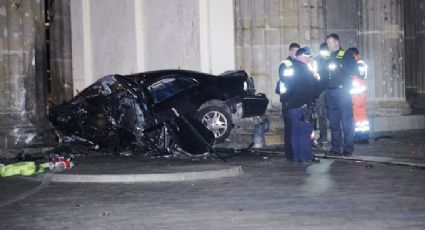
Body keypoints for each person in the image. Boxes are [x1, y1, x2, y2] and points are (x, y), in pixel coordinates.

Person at [282, 47, 321, 164]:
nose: (309, 60)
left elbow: (284, 86)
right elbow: (315, 90)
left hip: (291, 105)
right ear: (302, 56)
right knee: (305, 132)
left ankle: (296, 157)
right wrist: (317, 78)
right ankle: (305, 157)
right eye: (308, 57)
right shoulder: (306, 71)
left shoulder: (289, 69)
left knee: (295, 131)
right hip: (304, 106)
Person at [324, 34, 359, 156]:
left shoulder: (346, 55)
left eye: (329, 42)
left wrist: (341, 67)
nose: (328, 45)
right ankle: (335, 147)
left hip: (342, 92)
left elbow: (355, 70)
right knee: (333, 122)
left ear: (337, 42)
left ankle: (348, 148)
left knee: (346, 121)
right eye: (327, 42)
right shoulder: (327, 56)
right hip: (330, 92)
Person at [275, 43, 300, 160]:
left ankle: (296, 151)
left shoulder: (299, 64)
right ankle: (289, 153)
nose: (296, 54)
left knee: (296, 127)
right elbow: (288, 80)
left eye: (298, 52)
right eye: (295, 51)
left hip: (296, 100)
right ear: (290, 51)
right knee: (289, 127)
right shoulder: (286, 64)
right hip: (288, 100)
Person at [346, 47, 369, 143]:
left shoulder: (359, 64)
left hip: (358, 94)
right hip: (358, 94)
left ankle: (362, 137)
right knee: (359, 117)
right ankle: (360, 136)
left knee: (360, 117)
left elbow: (357, 77)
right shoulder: (359, 63)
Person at [315, 42, 331, 145]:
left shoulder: (332, 58)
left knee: (324, 114)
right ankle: (324, 137)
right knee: (322, 114)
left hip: (326, 90)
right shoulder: (318, 60)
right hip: (324, 90)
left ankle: (325, 137)